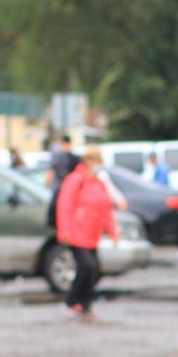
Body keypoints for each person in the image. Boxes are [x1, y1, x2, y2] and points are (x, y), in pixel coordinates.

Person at [54, 148, 119, 320]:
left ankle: (84, 304)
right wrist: (65, 230)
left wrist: (113, 231)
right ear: (88, 161)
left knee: (93, 270)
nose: (98, 164)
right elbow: (64, 206)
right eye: (96, 160)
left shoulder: (99, 182)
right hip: (76, 233)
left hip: (92, 234)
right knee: (87, 266)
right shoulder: (75, 180)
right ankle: (73, 302)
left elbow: (106, 209)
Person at [45, 133, 79, 229]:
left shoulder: (57, 157)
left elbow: (50, 174)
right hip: (71, 190)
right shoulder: (75, 158)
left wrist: (47, 185)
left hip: (59, 189)